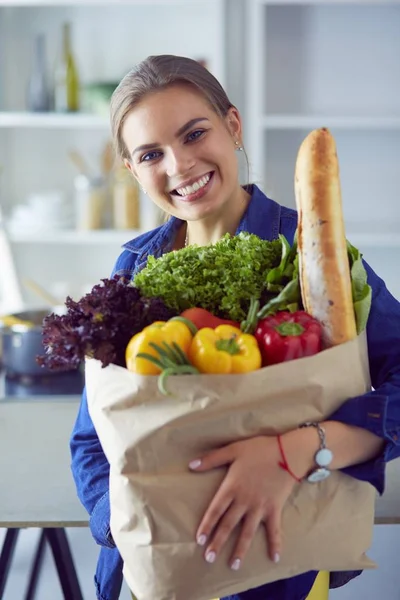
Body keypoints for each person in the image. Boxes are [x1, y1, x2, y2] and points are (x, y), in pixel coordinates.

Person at [70, 54, 400, 600]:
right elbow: (92, 437)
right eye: (152, 153)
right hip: (152, 575)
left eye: (195, 133)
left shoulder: (310, 254)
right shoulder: (134, 268)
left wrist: (296, 452)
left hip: (278, 571)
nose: (179, 165)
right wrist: (128, 521)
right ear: (131, 169)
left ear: (233, 126)